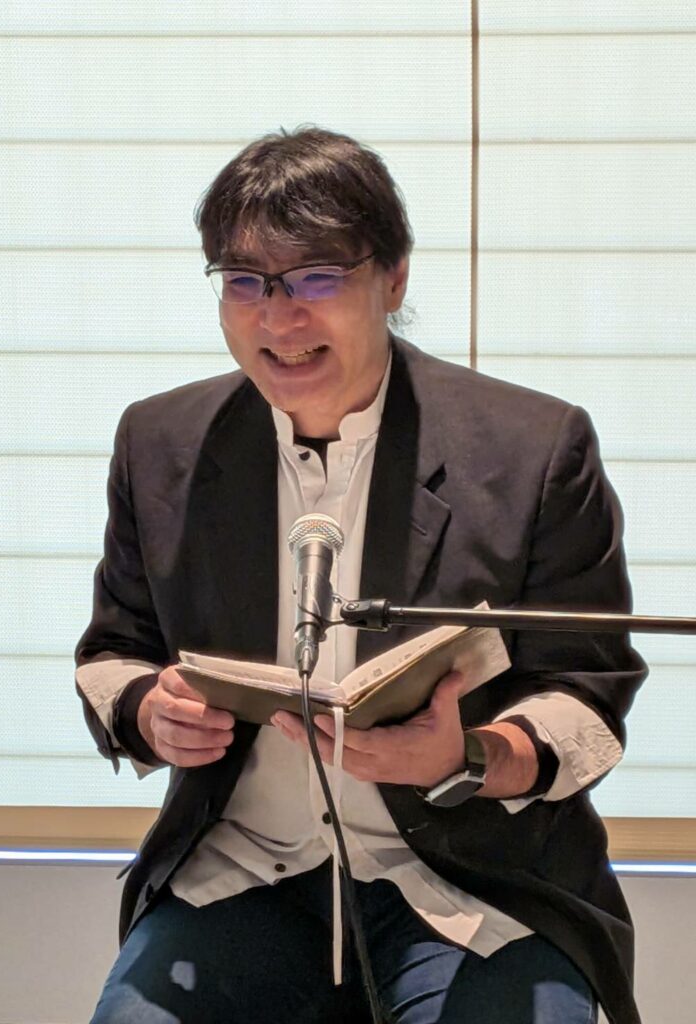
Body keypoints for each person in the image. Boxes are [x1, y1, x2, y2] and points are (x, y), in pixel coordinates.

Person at [76, 127, 647, 1024]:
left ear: (395, 278)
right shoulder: (160, 443)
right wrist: (150, 710)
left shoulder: (533, 449)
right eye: (245, 281)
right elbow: (114, 651)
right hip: (242, 872)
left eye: (316, 278)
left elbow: (587, 689)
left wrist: (471, 757)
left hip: (474, 884)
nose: (279, 319)